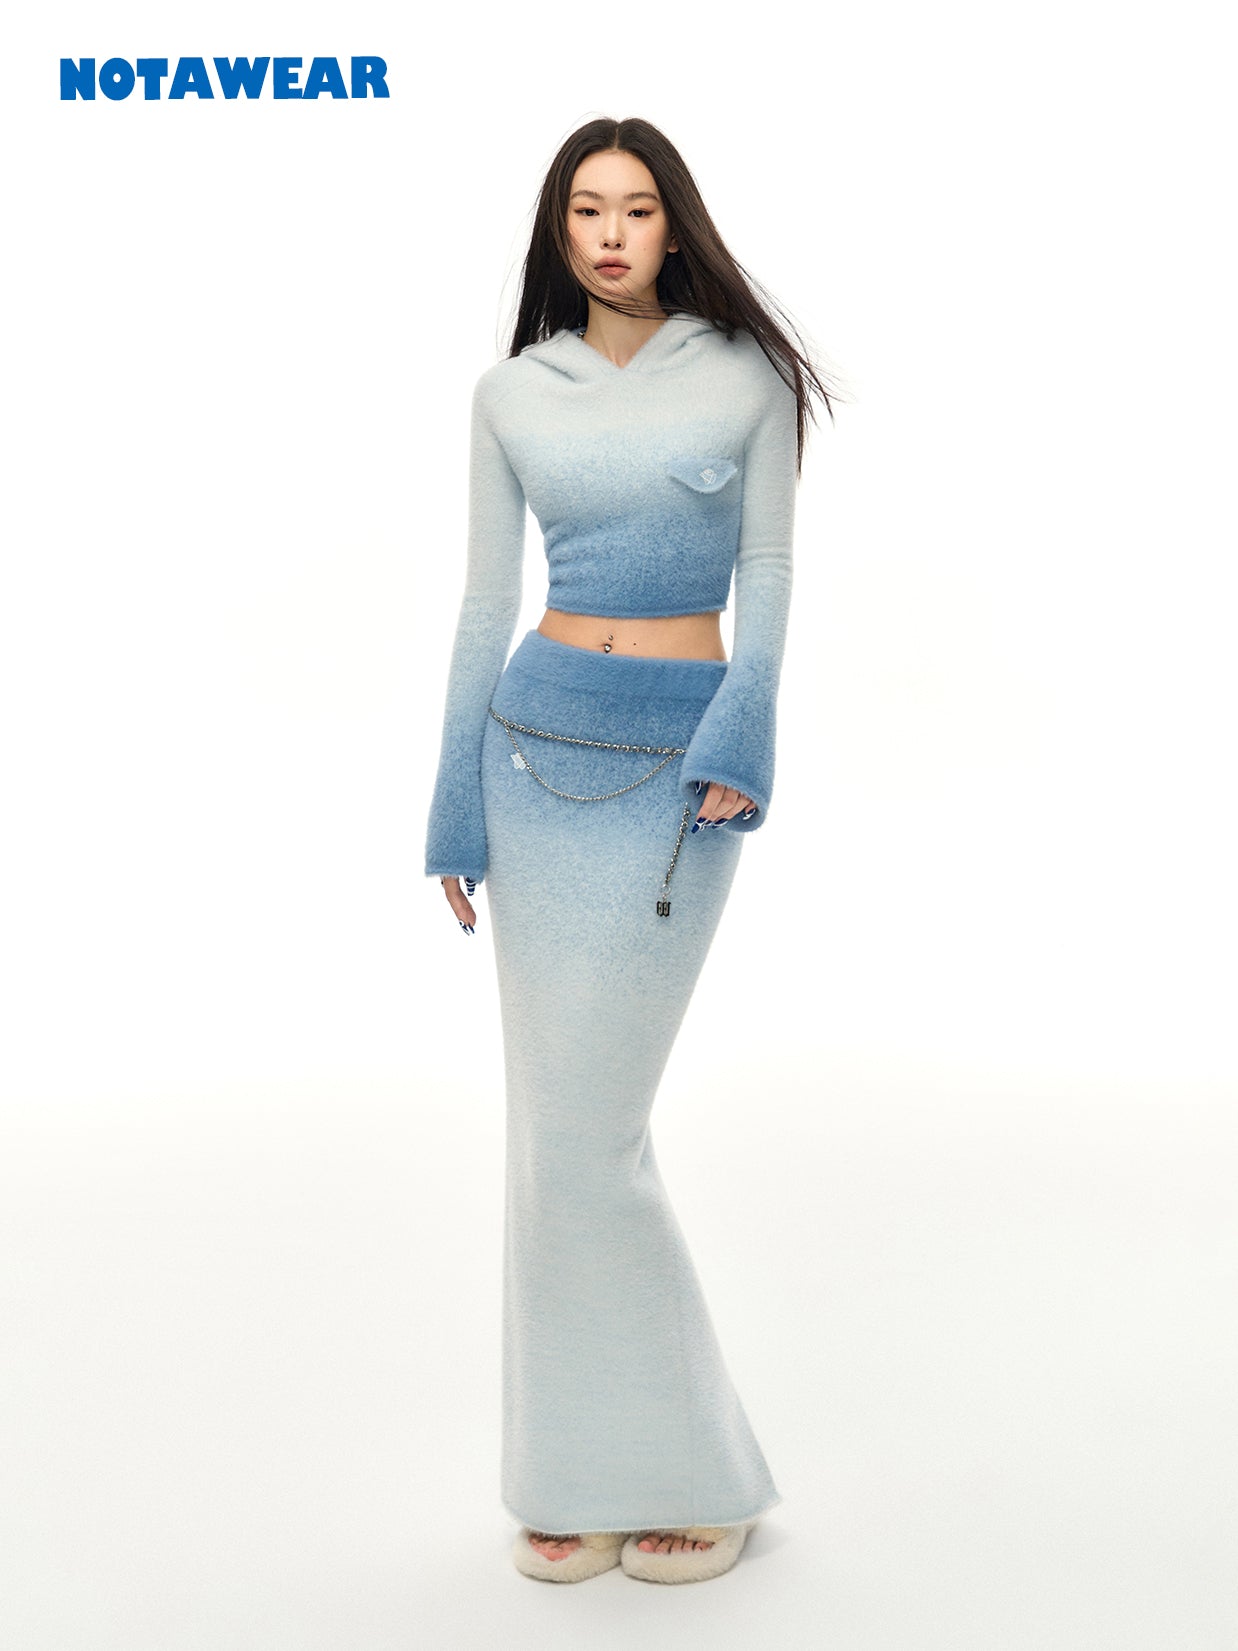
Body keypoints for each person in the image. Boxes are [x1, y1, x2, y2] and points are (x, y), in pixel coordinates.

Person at [424, 115, 834, 1584]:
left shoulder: (743, 379)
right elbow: (485, 601)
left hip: (680, 769)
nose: (611, 233)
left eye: (638, 207)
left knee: (592, 1133)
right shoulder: (509, 393)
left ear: (675, 224)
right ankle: (574, 1472)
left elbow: (769, 572)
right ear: (560, 230)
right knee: (553, 1138)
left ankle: (696, 1473)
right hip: (529, 753)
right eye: (586, 209)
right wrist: (451, 804)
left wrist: (742, 740)